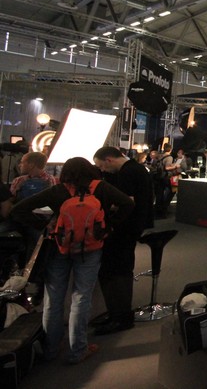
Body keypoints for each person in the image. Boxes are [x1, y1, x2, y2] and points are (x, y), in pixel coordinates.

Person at [10, 157, 134, 364]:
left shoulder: (58, 191)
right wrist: (109, 225)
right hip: (90, 248)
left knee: (53, 299)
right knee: (81, 297)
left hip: (58, 247)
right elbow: (127, 203)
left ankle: (51, 349)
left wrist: (44, 226)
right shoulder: (101, 188)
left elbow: (18, 209)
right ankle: (78, 350)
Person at [92, 146, 154, 335]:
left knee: (116, 271)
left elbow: (126, 202)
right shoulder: (136, 169)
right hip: (131, 227)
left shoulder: (128, 172)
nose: (102, 170)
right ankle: (118, 314)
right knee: (119, 270)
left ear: (109, 160)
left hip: (125, 229)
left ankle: (120, 317)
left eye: (101, 166)